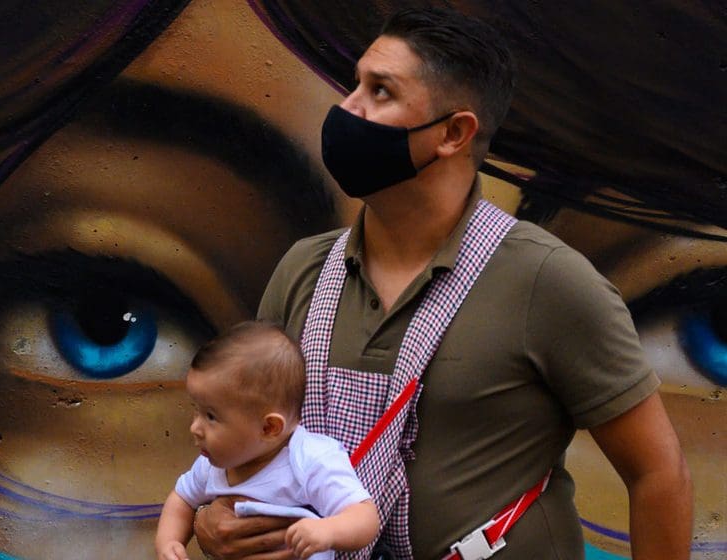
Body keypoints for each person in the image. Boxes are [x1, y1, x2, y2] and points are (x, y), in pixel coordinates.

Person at [194, 7, 693, 560]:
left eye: (380, 92)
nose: (348, 109)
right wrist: (209, 518)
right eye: (355, 85)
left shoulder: (547, 281)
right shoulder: (303, 270)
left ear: (453, 133)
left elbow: (657, 472)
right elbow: (241, 432)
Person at [155, 321, 380, 560]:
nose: (195, 428)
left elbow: (365, 517)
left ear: (269, 427)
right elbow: (182, 499)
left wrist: (328, 530)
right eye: (196, 410)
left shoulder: (310, 459)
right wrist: (168, 542)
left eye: (211, 416)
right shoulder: (212, 464)